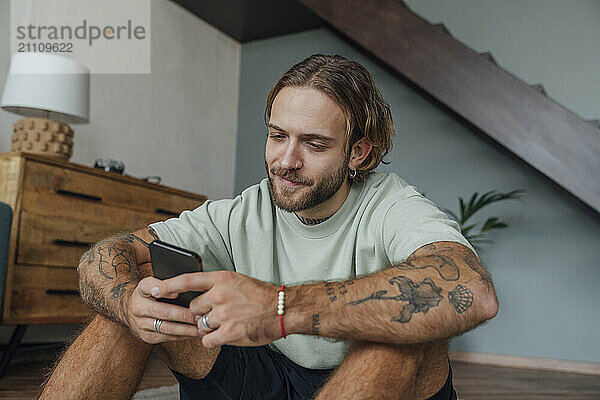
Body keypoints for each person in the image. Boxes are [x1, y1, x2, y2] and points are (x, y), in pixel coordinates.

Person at [40, 54, 498, 400]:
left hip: (369, 380)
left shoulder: (393, 205)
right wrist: (126, 302)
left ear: (358, 153)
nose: (285, 161)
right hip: (265, 376)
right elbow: (105, 255)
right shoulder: (245, 210)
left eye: (314, 144)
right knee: (137, 297)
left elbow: (471, 292)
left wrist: (278, 308)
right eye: (278, 136)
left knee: (398, 334)